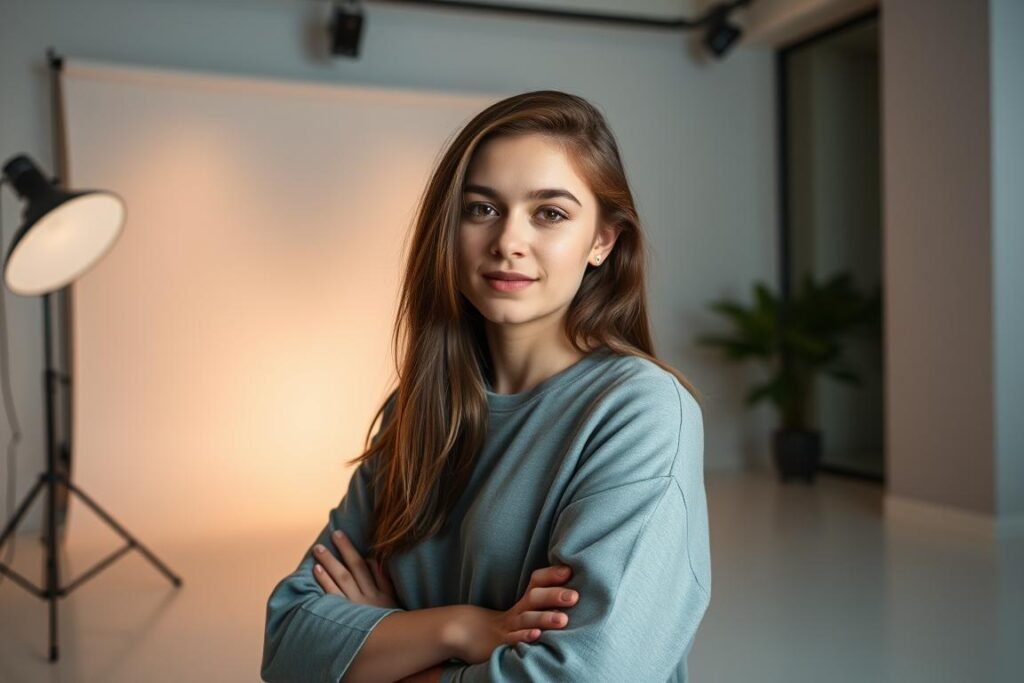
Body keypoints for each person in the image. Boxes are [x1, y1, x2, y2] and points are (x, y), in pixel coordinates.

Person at [260, 90, 711, 683]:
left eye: (549, 213)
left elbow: (585, 676)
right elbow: (289, 643)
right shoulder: (420, 408)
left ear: (603, 241)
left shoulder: (641, 412)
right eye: (482, 209)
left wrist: (386, 644)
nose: (507, 242)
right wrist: (464, 628)